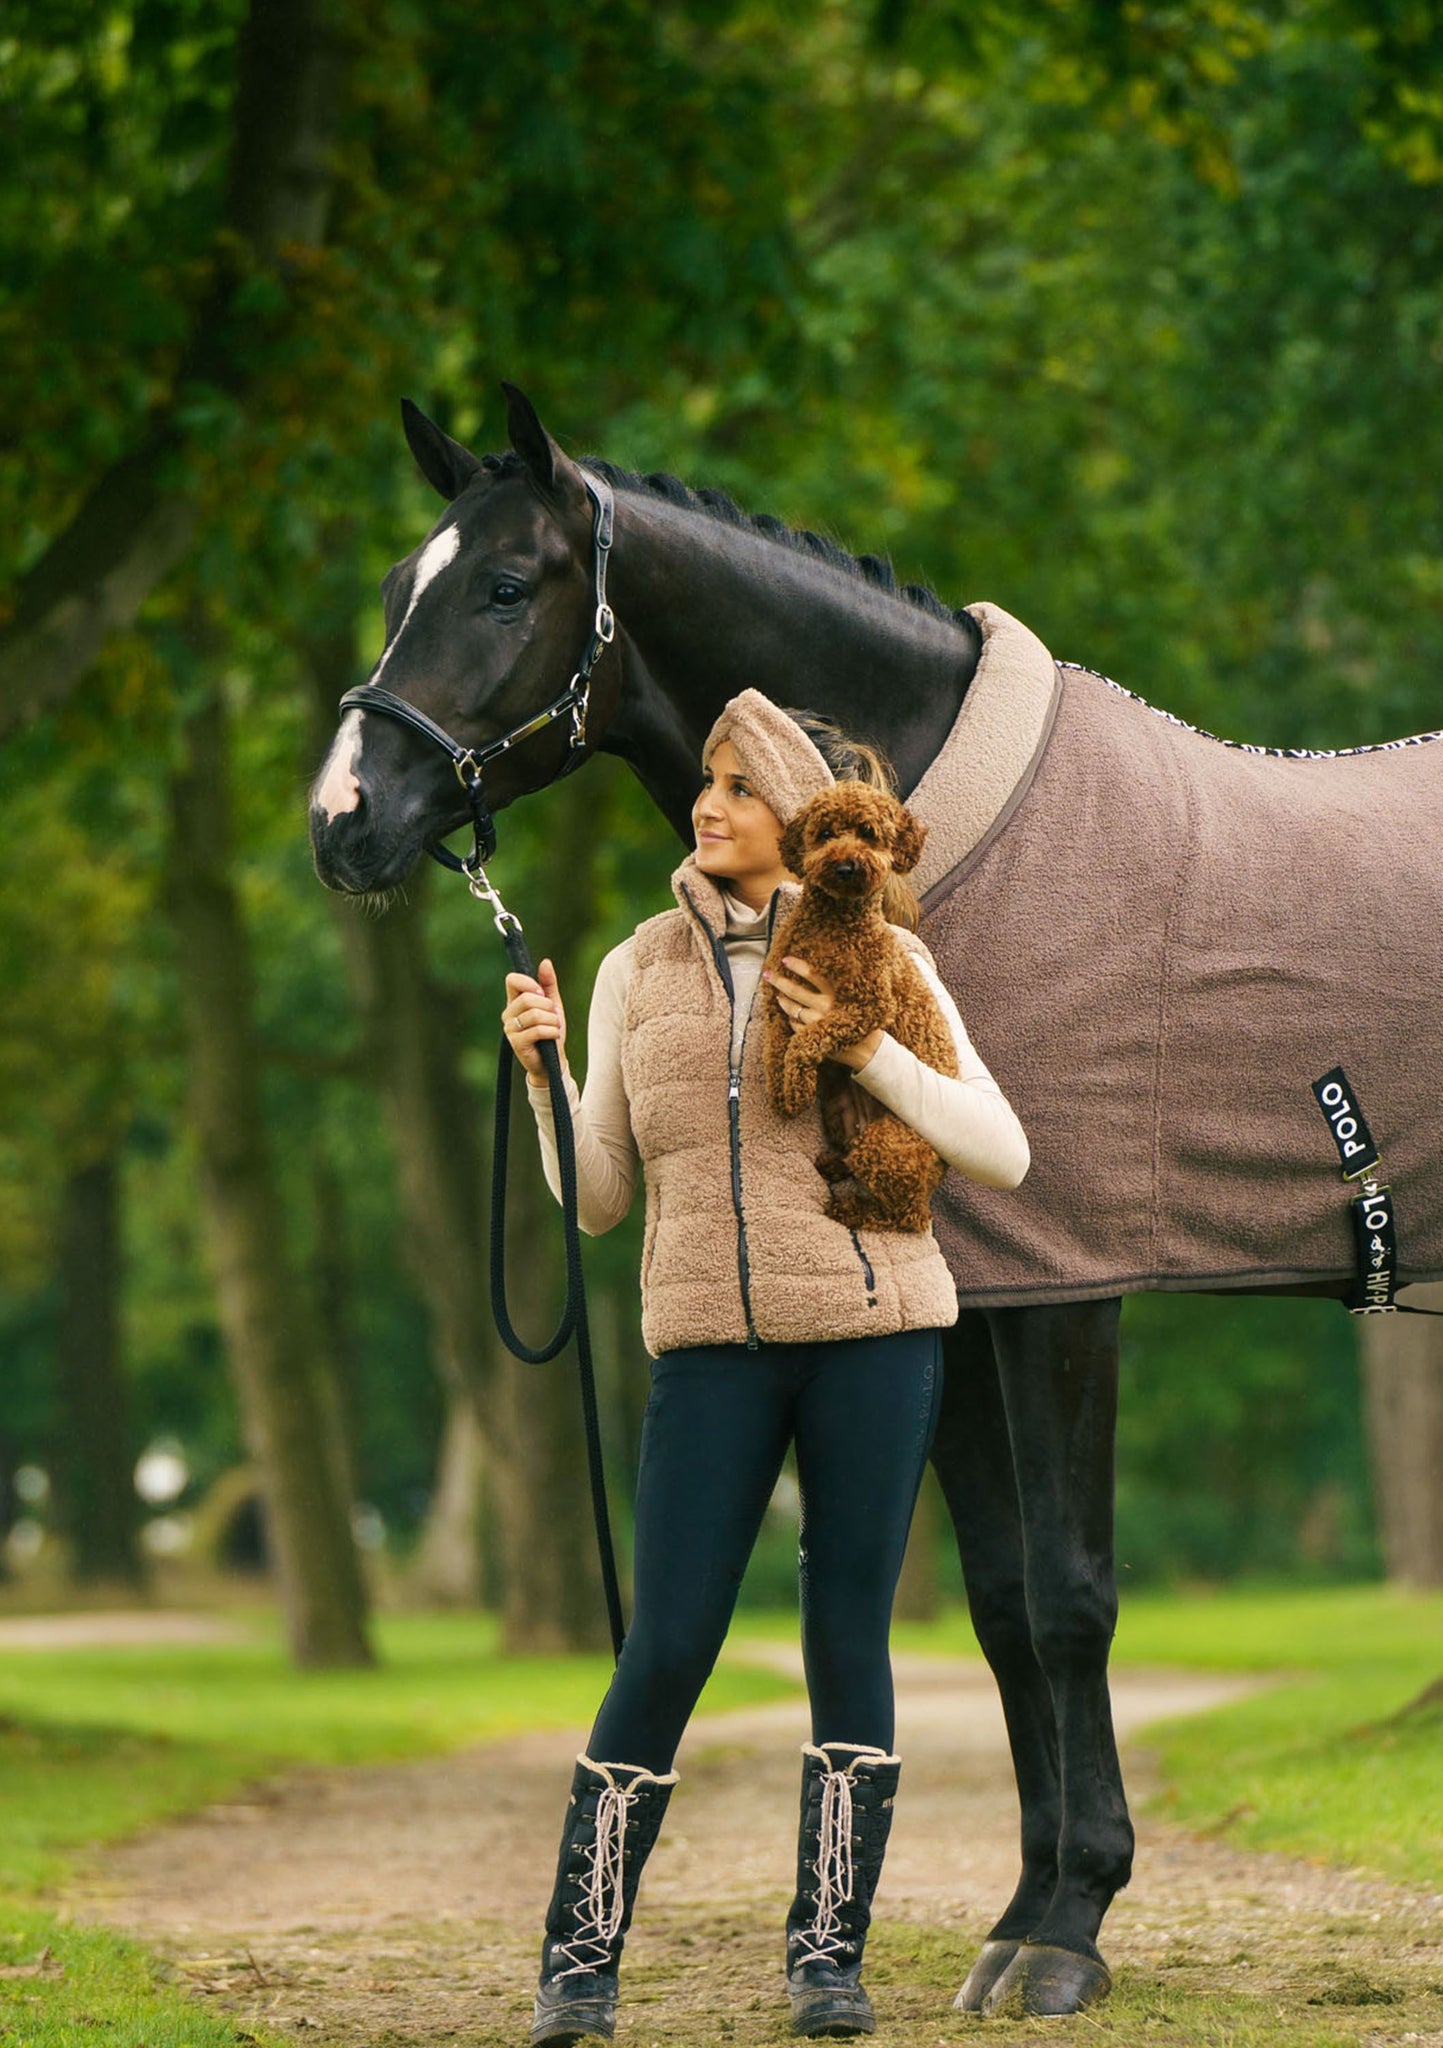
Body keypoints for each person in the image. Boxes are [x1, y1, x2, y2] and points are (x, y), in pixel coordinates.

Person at [501, 690, 1029, 2047]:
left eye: (738, 787)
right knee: (666, 1645)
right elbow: (602, 1198)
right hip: (706, 1349)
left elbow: (999, 1147)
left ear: (797, 811)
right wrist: (547, 1080)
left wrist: (863, 1050)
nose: (708, 803)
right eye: (706, 785)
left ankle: (827, 1962)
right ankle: (578, 1966)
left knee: (844, 1639)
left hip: (873, 1333)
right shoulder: (634, 970)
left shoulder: (885, 959)